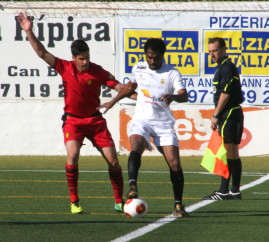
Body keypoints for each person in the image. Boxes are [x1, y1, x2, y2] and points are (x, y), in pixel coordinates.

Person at [17, 12, 135, 214]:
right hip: (73, 121)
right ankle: (74, 201)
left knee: (114, 161)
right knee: (72, 155)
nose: (85, 62)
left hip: (96, 122)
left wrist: (144, 97)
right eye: (81, 59)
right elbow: (41, 52)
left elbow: (120, 88)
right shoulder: (64, 66)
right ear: (74, 58)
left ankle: (118, 200)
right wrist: (29, 31)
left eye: (87, 58)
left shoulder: (98, 71)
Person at [100, 38, 190, 217]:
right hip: (142, 119)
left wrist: (173, 96)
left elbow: (184, 95)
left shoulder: (172, 73)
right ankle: (132, 186)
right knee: (136, 145)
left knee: (174, 163)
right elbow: (129, 87)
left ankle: (178, 205)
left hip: (163, 123)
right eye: (149, 57)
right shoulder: (139, 68)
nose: (152, 61)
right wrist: (112, 101)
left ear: (162, 56)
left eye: (155, 58)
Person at [203, 37, 244, 200]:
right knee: (232, 152)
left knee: (225, 151)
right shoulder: (224, 67)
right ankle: (234, 190)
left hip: (229, 112)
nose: (212, 54)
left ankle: (223, 190)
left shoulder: (226, 67)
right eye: (210, 51)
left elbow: (225, 94)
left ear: (224, 50)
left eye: (215, 50)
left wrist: (215, 115)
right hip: (233, 112)